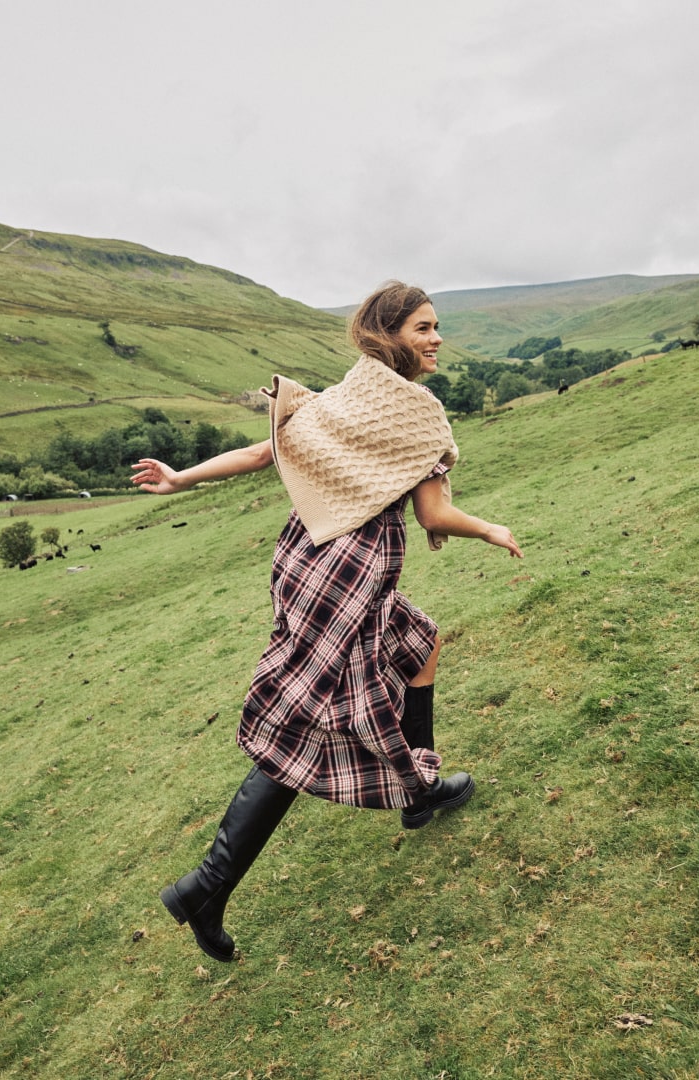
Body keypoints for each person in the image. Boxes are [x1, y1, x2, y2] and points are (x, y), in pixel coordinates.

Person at [131, 281, 523, 963]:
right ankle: (207, 886)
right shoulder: (418, 415)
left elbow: (262, 455)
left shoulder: (344, 395)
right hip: (350, 575)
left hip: (305, 560)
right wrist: (488, 527)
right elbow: (432, 515)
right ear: (389, 332)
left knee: (419, 642)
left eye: (436, 327)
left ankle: (418, 793)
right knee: (303, 722)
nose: (434, 339)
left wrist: (180, 477)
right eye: (422, 328)